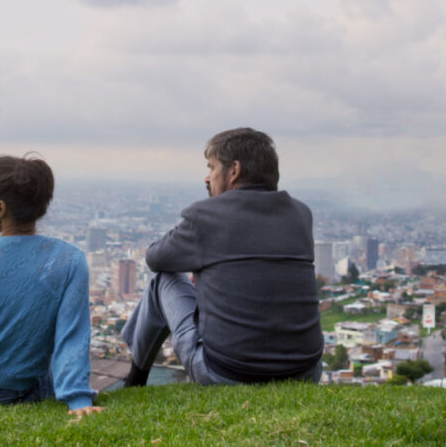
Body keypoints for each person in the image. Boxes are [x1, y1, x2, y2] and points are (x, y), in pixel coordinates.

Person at [121, 127, 323, 387]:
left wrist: (198, 261)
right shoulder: (301, 214)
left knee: (163, 280)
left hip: (226, 373)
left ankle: (135, 380)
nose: (207, 178)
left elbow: (155, 259)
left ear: (234, 170)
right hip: (305, 372)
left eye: (212, 167)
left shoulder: (206, 215)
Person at [0, 154, 103, 417]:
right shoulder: (69, 261)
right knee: (45, 370)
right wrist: (79, 401)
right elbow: (72, 336)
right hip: (11, 393)